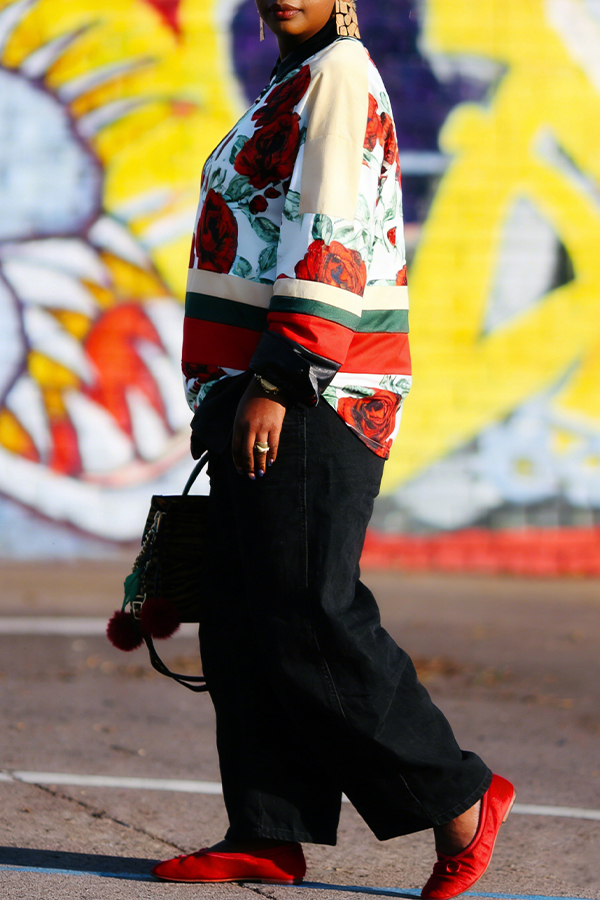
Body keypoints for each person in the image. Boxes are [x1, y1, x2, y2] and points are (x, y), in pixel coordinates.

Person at [151, 2, 515, 897]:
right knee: (241, 617)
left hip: (314, 391)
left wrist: (279, 380)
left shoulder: (340, 76)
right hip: (254, 391)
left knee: (312, 609)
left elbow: (331, 234)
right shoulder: (296, 78)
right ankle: (267, 830)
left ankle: (460, 797)